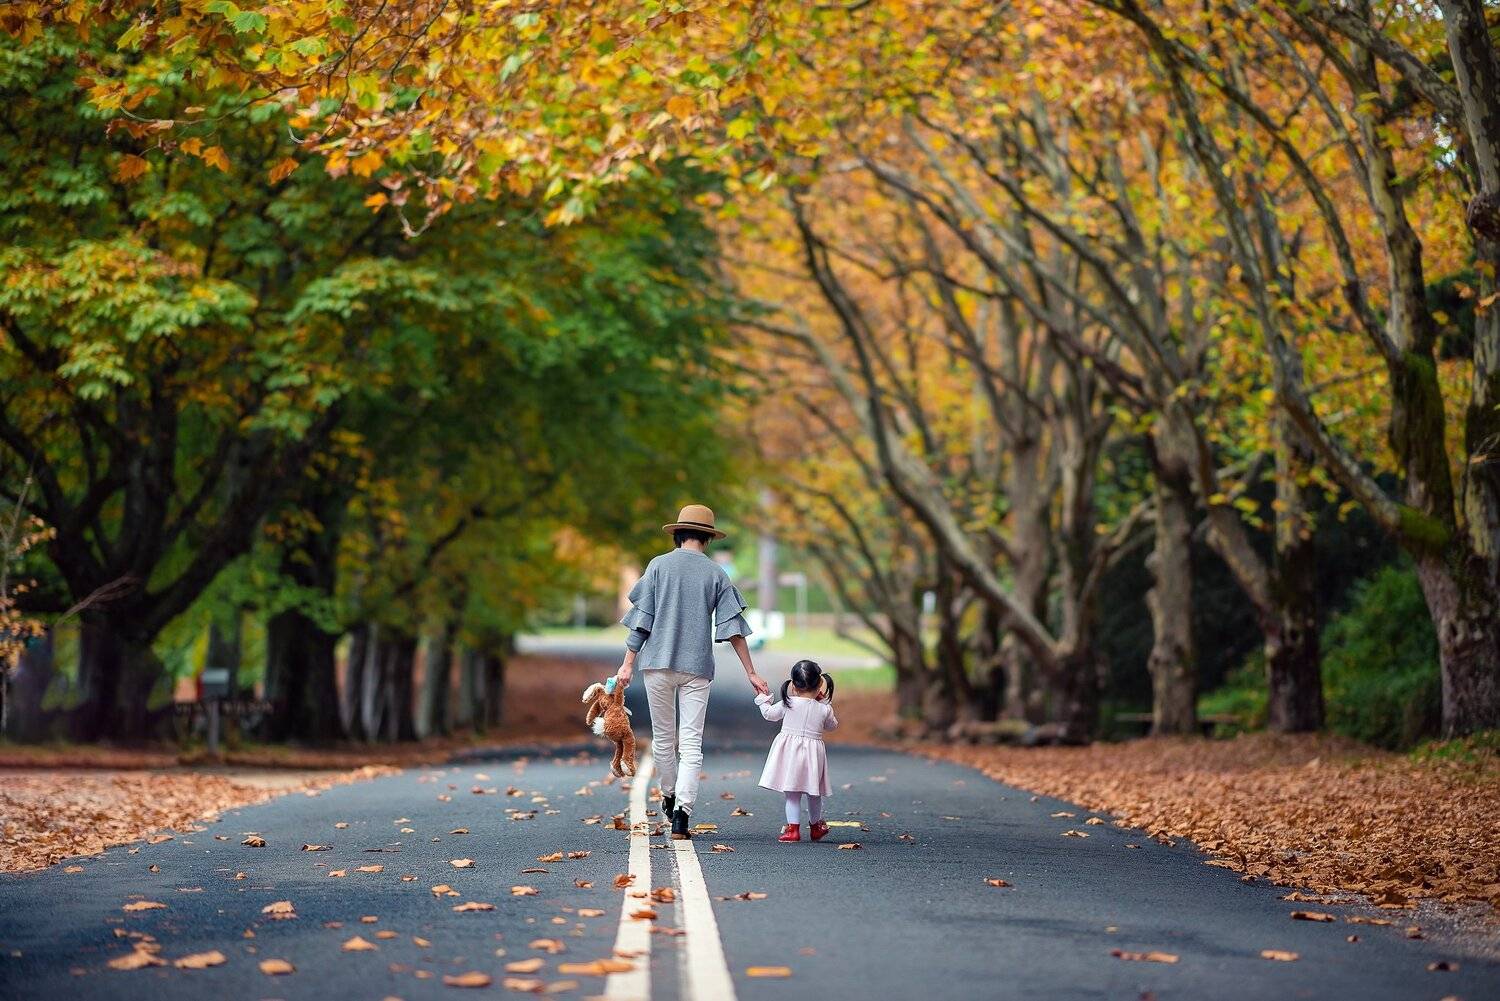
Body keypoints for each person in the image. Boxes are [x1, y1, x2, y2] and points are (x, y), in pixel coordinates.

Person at [616, 504, 771, 841]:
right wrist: (751, 672)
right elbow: (733, 628)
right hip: (697, 668)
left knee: (664, 740)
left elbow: (642, 620)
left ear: (678, 534)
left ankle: (669, 796)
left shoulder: (658, 567)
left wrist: (628, 663)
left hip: (657, 665)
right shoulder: (716, 574)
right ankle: (682, 816)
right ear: (707, 539)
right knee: (691, 743)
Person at [754, 659, 838, 843]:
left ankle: (793, 830)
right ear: (819, 686)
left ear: (793, 685)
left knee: (792, 794)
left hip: (790, 753)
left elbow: (769, 714)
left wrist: (763, 699)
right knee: (813, 792)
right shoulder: (824, 709)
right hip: (813, 755)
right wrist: (824, 702)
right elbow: (832, 726)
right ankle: (816, 827)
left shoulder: (788, 703)